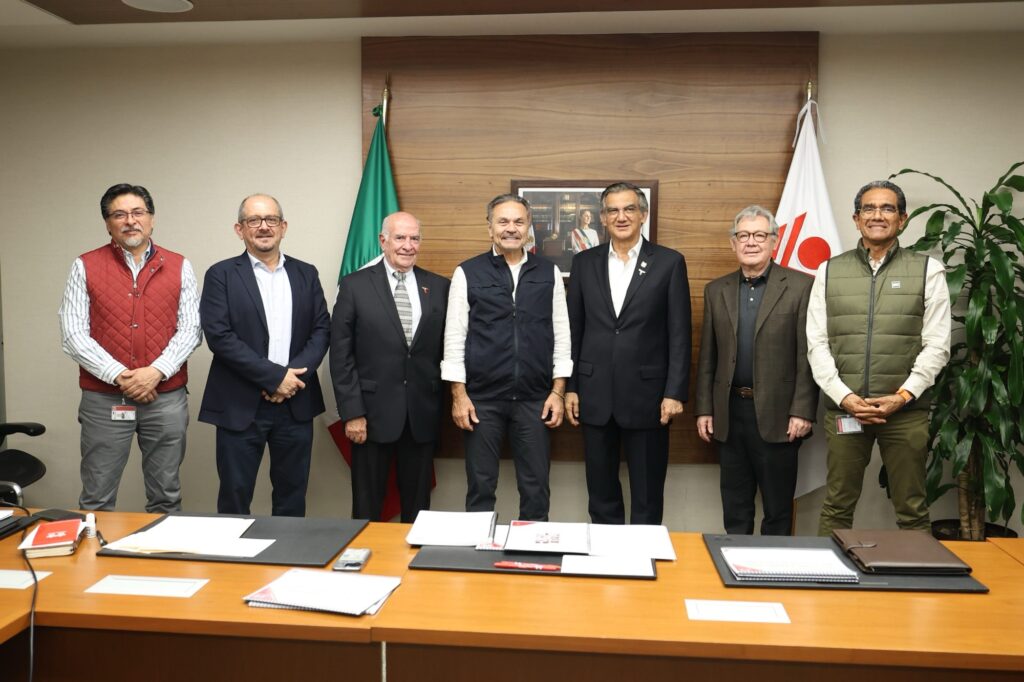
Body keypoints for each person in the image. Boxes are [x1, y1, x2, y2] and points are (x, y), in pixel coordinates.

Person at [808, 180, 950, 535]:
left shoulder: (927, 270)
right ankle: (830, 570)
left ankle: (917, 573)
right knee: (837, 506)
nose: (877, 215)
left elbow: (937, 345)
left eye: (887, 208)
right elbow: (817, 343)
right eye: (869, 208)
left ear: (902, 219)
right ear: (856, 219)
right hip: (846, 410)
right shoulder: (829, 270)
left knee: (912, 508)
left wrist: (902, 396)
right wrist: (845, 397)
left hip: (905, 412)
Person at [58, 183, 201, 513]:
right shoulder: (85, 265)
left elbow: (191, 329)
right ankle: (94, 549)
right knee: (97, 496)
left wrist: (155, 373)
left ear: (152, 219)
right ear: (107, 223)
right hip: (104, 399)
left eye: (138, 212)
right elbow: (73, 333)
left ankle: (162, 549)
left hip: (165, 398)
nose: (130, 221)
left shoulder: (180, 265)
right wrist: (122, 376)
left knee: (166, 496)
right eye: (119, 215)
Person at [565, 181, 691, 525]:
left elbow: (679, 334)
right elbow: (574, 329)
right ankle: (606, 554)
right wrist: (571, 387)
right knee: (601, 492)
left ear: (643, 215)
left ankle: (643, 554)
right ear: (603, 218)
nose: (621, 217)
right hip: (594, 395)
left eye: (629, 209)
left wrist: (674, 392)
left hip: (649, 397)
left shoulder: (669, 263)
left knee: (647, 495)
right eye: (613, 210)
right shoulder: (584, 263)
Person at [442, 194, 571, 521]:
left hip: (535, 399)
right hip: (481, 400)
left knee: (536, 488)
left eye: (518, 222)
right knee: (481, 487)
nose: (511, 228)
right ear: (490, 228)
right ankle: (479, 552)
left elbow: (561, 335)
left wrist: (558, 392)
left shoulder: (549, 272)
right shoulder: (467, 272)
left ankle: (531, 551)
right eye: (503, 221)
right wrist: (459, 395)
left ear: (529, 228)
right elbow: (454, 337)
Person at [199, 194, 330, 517]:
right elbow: (220, 336)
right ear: (239, 229)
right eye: (254, 220)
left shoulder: (306, 273)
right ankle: (232, 553)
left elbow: (321, 330)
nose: (263, 227)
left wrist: (290, 380)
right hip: (240, 404)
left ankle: (287, 550)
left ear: (283, 227)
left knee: (292, 496)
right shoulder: (221, 274)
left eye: (271, 219)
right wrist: (275, 378)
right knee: (235, 496)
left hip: (295, 402)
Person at [694, 205, 817, 535]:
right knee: (735, 508)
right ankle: (736, 564)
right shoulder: (716, 290)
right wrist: (704, 408)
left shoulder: (802, 286)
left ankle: (773, 567)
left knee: (777, 510)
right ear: (733, 243)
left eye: (760, 235)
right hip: (730, 413)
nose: (751, 242)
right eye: (743, 235)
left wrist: (802, 410)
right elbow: (708, 356)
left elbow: (808, 355)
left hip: (780, 415)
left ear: (774, 241)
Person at [330, 212, 450, 522]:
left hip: (421, 415)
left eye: (414, 238)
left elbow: (447, 349)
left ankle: (414, 555)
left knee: (418, 508)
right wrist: (352, 413)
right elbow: (341, 355)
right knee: (368, 508)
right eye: (400, 238)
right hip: (370, 415)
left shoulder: (439, 287)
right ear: (383, 241)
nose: (408, 245)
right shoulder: (355, 285)